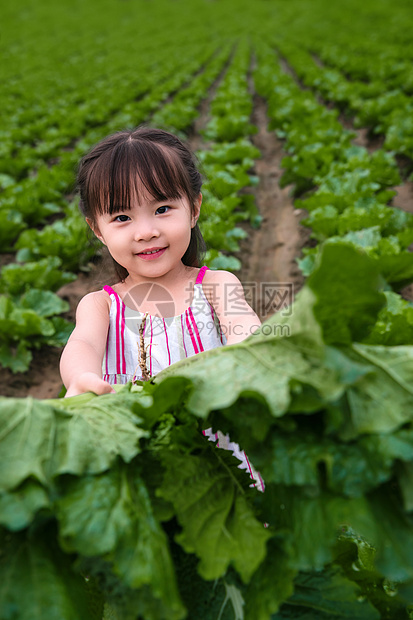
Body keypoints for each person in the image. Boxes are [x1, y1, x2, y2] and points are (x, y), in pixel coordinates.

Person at [59, 126, 264, 490]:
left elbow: (243, 325)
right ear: (97, 229)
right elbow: (83, 346)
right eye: (122, 218)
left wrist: (248, 356)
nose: (146, 231)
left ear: (194, 209)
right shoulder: (101, 305)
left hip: (219, 457)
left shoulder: (216, 285)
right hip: (137, 456)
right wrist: (79, 378)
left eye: (163, 208)